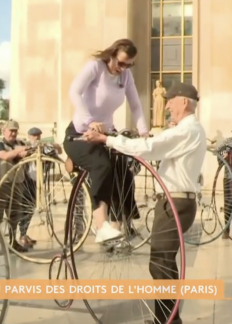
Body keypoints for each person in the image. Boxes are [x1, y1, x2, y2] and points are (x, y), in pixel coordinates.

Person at [82, 82, 205, 324]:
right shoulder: (188, 130)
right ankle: (166, 318)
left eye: (170, 100)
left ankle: (169, 320)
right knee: (163, 262)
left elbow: (147, 148)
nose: (166, 105)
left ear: (184, 102)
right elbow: (159, 146)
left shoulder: (186, 131)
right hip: (176, 201)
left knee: (161, 262)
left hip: (175, 204)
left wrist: (106, 139)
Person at [63, 38, 149, 243]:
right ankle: (101, 225)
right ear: (111, 55)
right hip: (80, 133)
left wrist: (144, 132)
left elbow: (135, 105)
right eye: (121, 63)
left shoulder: (125, 77)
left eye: (129, 65)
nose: (124, 68)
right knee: (102, 166)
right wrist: (90, 120)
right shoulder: (95, 67)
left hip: (107, 134)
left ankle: (119, 225)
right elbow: (74, 91)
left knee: (123, 170)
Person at [17, 127, 63, 248]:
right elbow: (20, 155)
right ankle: (21, 235)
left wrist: (55, 146)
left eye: (38, 135)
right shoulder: (25, 146)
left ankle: (24, 233)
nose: (36, 138)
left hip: (36, 180)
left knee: (31, 208)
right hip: (25, 181)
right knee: (24, 208)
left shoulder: (44, 147)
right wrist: (29, 151)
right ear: (29, 136)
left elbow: (59, 152)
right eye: (33, 136)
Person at [0, 120, 28, 257]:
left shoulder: (21, 144)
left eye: (15, 130)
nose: (13, 133)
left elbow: (29, 153)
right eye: (11, 130)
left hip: (17, 183)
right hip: (2, 184)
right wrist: (19, 152)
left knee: (15, 214)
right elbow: (4, 156)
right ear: (4, 132)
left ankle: (12, 241)